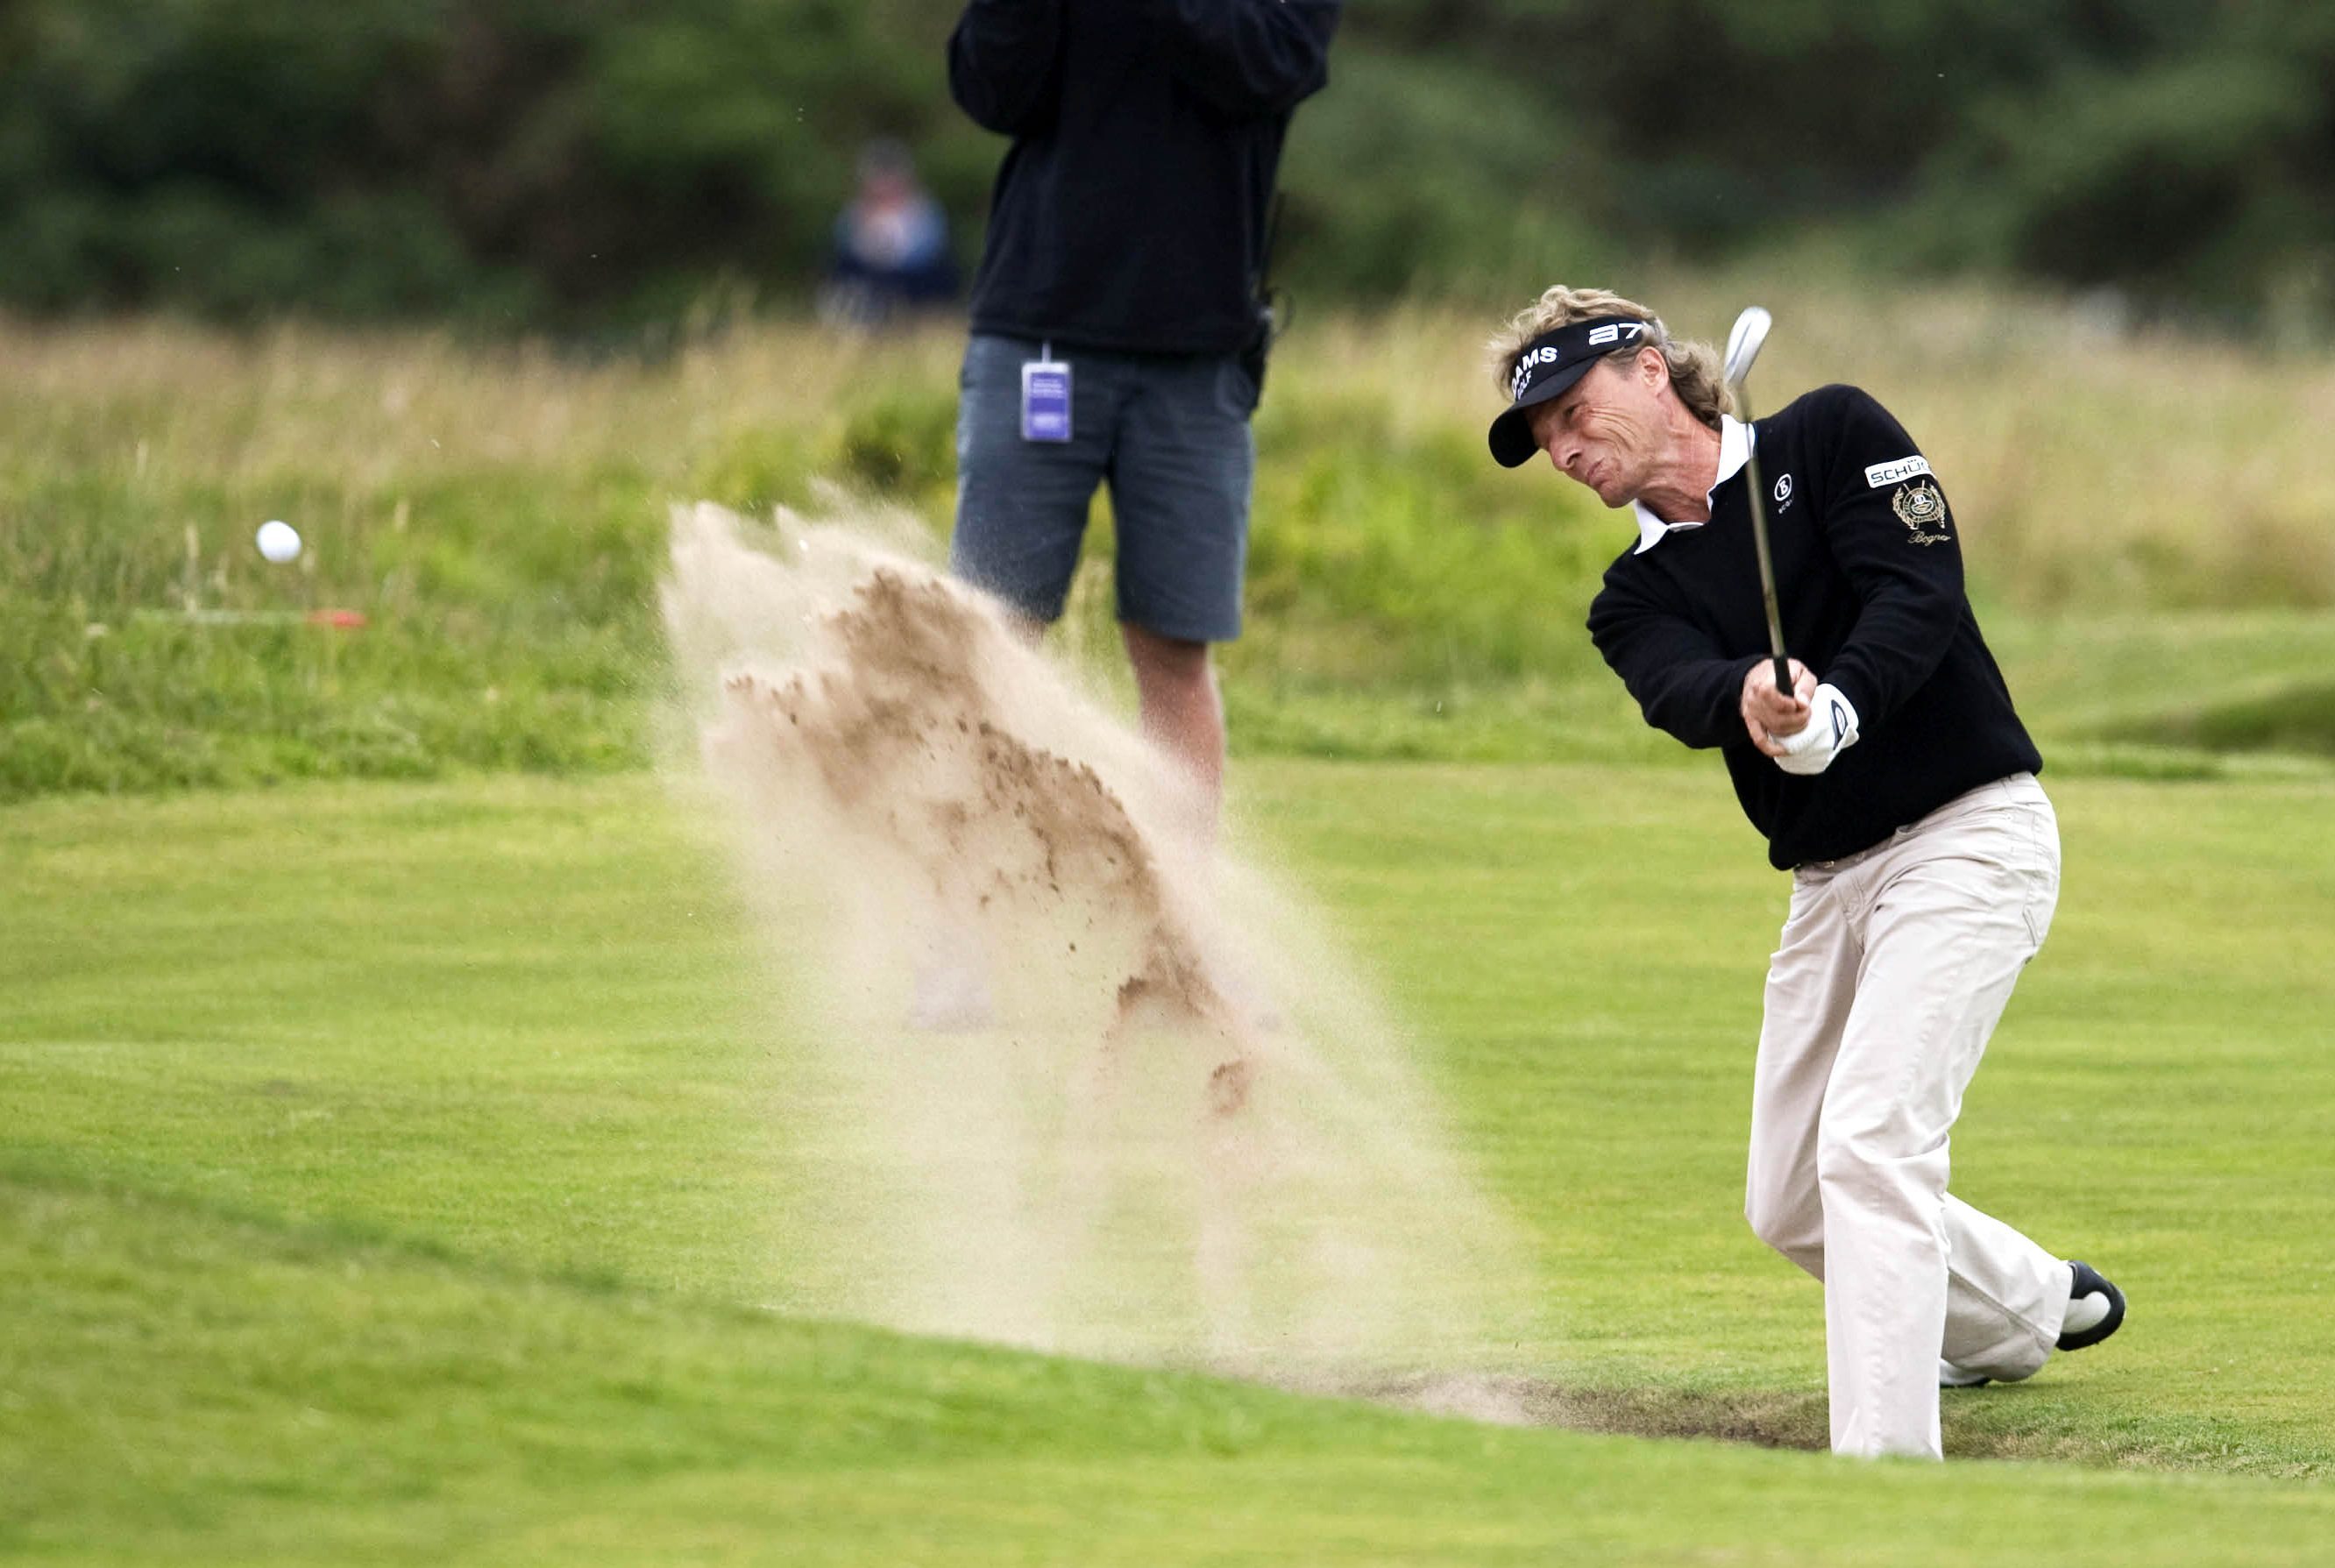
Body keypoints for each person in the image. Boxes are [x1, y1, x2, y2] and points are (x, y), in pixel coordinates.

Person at [1483, 284, 2126, 1461]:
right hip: (1830, 883)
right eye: (1544, 439)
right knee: (1787, 1198)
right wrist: (1754, 700)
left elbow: (1918, 590)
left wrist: (1841, 703)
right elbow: (1681, 690)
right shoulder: (1631, 600)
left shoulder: (1832, 435)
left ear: (1647, 370)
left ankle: (1881, 1472)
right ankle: (2028, 1306)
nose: (1566, 450)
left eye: (1575, 411)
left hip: (1968, 834)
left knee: (1870, 1145)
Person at [945, 0, 1341, 810]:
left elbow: (1264, 70)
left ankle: (1176, 922)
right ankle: (958, 912)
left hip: (1198, 359)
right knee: (995, 633)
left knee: (1173, 649)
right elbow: (992, 93)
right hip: (1040, 337)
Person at [820, 139, 958, 328]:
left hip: (913, 279)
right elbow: (845, 247)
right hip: (867, 277)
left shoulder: (924, 210)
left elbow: (929, 251)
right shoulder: (855, 212)